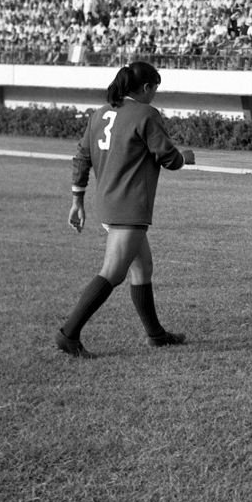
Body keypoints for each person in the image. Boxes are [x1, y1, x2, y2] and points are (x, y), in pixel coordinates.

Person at [55, 62, 196, 358]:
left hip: (107, 201)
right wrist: (185, 158)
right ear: (146, 88)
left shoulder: (99, 114)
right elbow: (167, 157)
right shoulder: (145, 114)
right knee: (112, 272)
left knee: (142, 267)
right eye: (155, 89)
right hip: (129, 205)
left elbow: (81, 156)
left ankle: (156, 335)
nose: (155, 96)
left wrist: (76, 200)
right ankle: (69, 334)